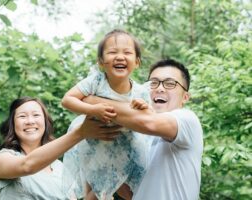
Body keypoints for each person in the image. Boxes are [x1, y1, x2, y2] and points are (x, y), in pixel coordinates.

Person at [83, 59, 204, 200]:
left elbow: (148, 123)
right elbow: (130, 192)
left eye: (170, 83)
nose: (159, 88)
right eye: (153, 83)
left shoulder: (187, 119)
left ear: (185, 97)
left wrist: (90, 101)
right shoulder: (139, 137)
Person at [61, 29, 150, 200]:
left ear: (137, 62)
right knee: (93, 192)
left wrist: (143, 106)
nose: (120, 56)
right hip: (95, 144)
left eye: (127, 52)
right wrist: (93, 109)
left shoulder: (140, 92)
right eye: (112, 52)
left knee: (132, 191)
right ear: (101, 62)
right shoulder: (96, 81)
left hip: (125, 146)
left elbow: (150, 118)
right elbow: (68, 100)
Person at [0, 97, 121, 200]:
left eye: (36, 115)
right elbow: (27, 166)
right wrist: (80, 133)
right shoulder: (1, 159)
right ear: (13, 124)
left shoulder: (61, 168)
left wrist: (107, 183)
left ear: (45, 122)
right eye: (22, 116)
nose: (30, 121)